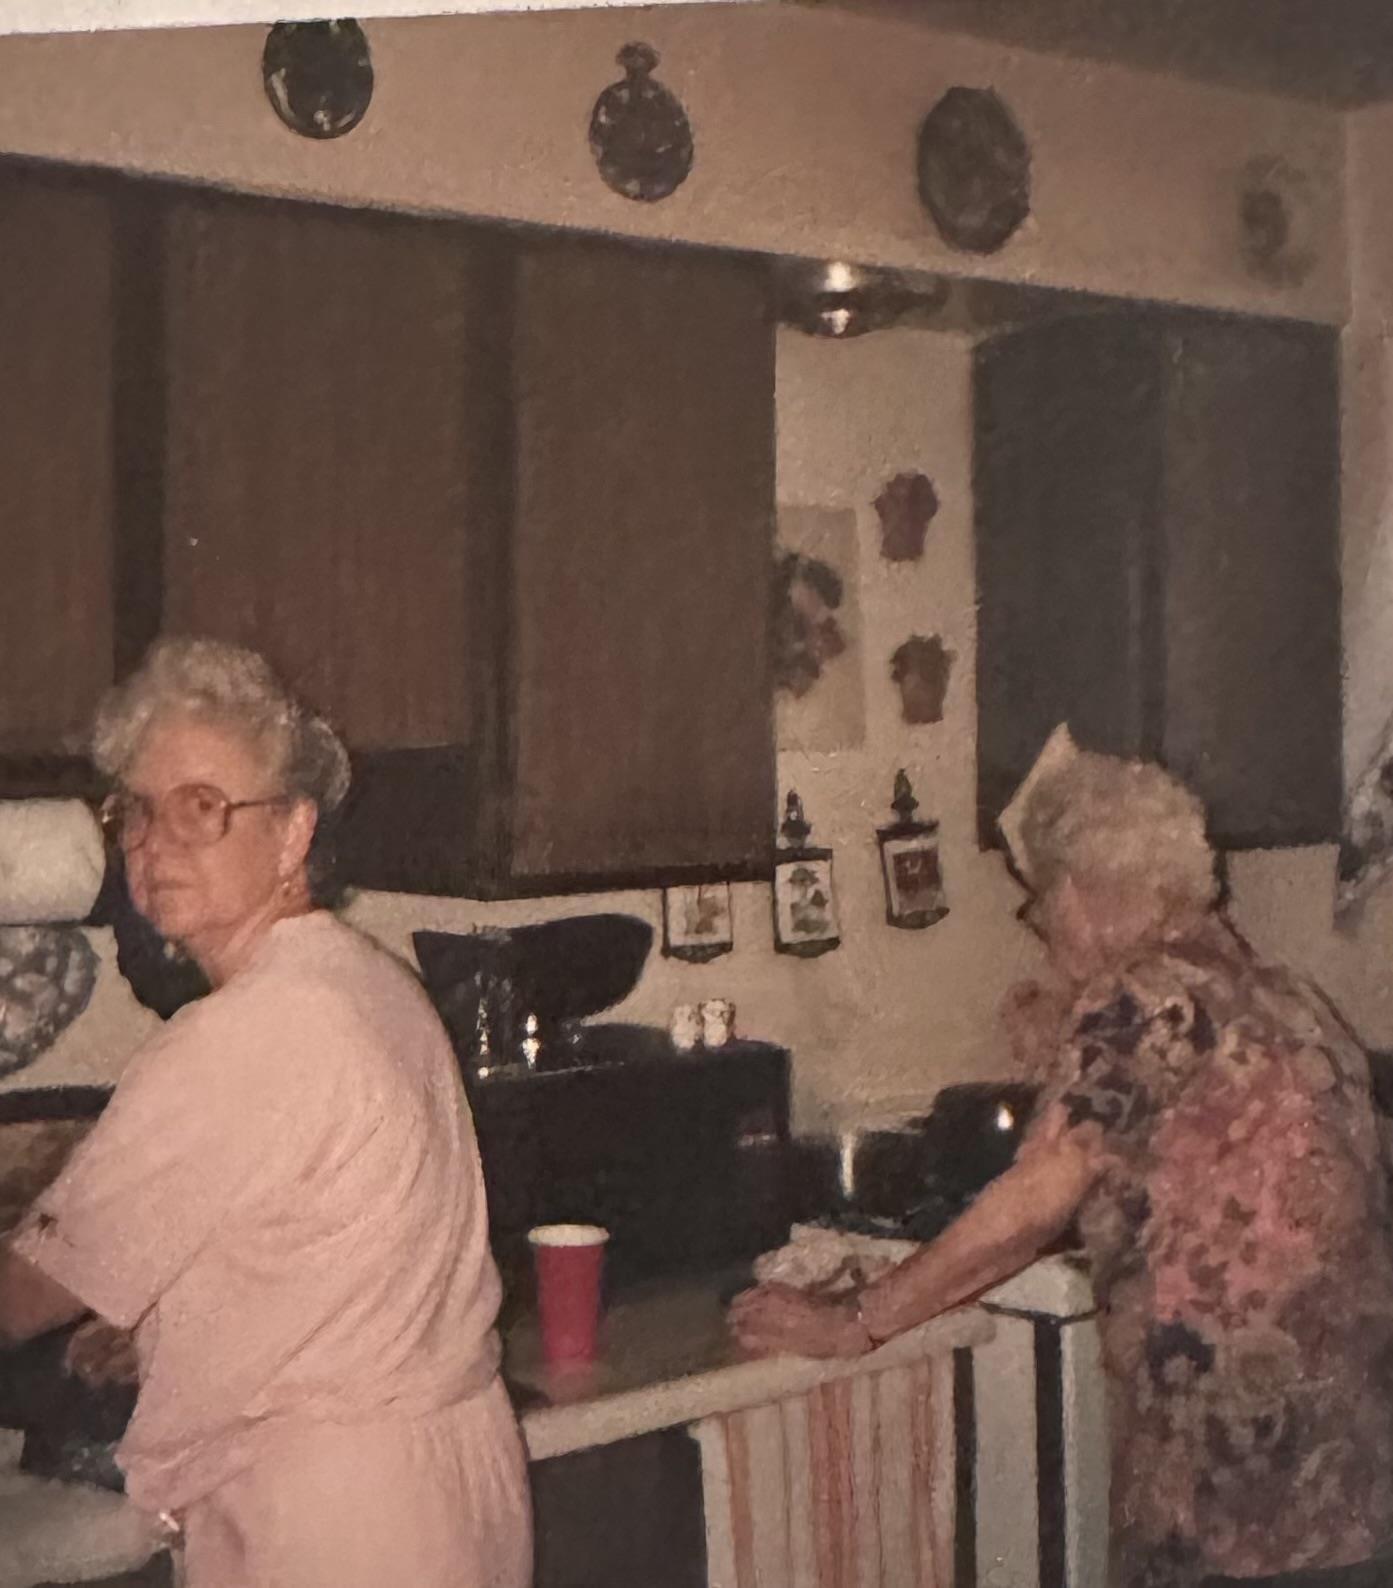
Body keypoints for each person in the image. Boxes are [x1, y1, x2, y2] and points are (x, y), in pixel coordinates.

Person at [731, 735, 1393, 1588]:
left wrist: (855, 1320)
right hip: (1359, 1476)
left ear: (1078, 893)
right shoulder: (1287, 996)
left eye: (1041, 906)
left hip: (1236, 1496)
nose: (1042, 933)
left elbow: (1039, 1194)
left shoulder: (1140, 998)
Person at [0, 636, 532, 1588]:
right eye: (135, 812)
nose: (155, 842)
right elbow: (319, 1245)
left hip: (333, 1522)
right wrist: (175, 1320)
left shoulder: (237, 1037)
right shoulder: (370, 980)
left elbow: (22, 1294)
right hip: (450, 1489)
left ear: (292, 834)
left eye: (203, 808)